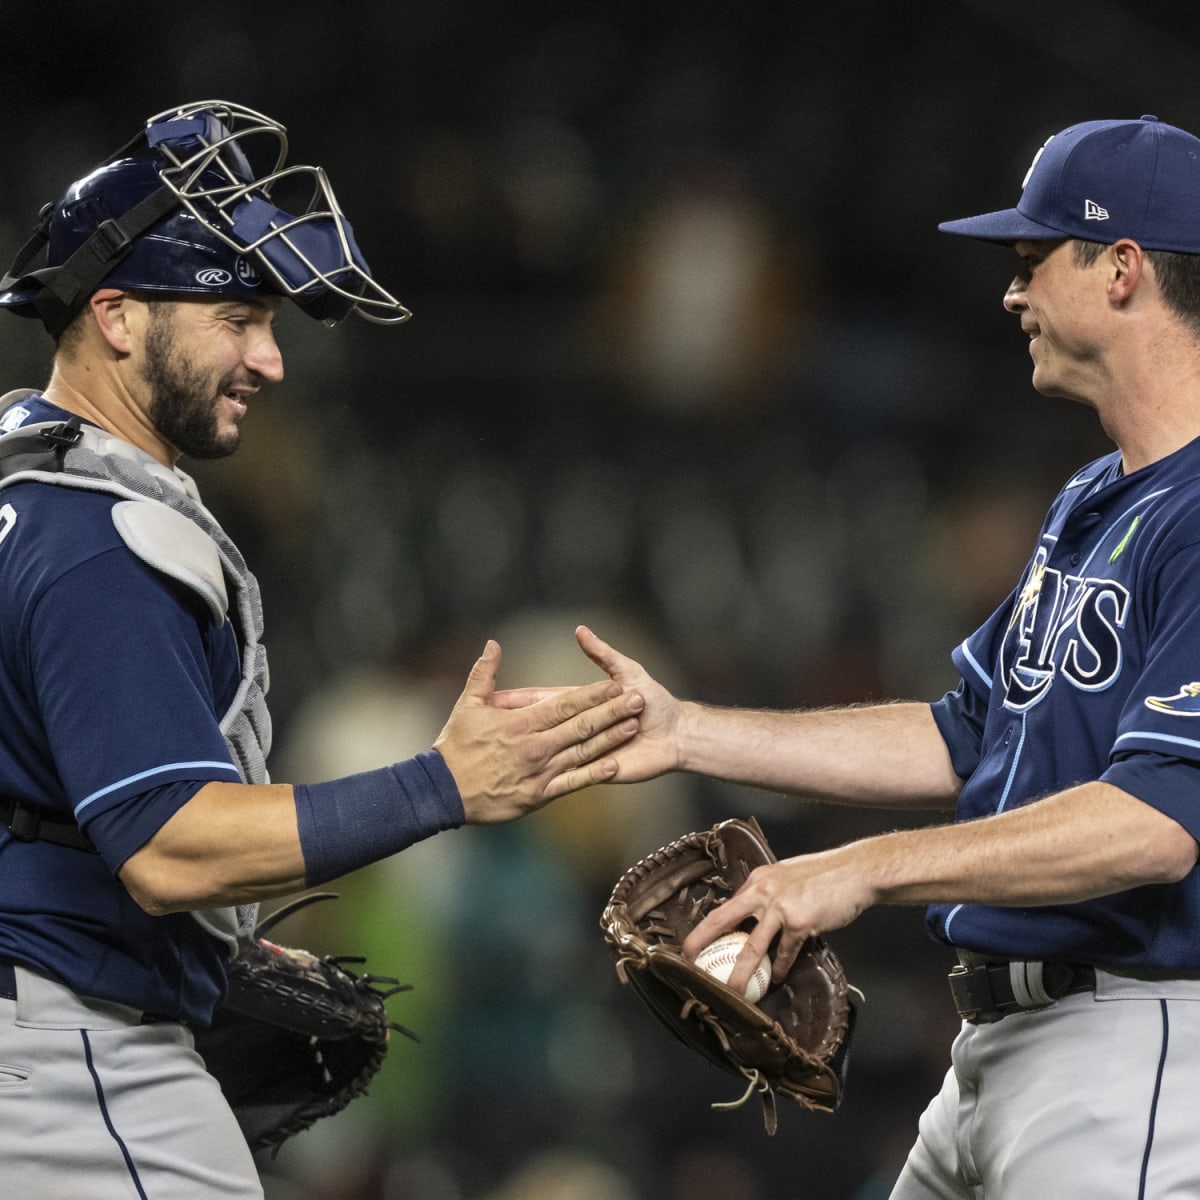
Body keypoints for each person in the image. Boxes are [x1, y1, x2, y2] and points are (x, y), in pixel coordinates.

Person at [530, 115, 1200, 1197]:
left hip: (1140, 1045)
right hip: (1005, 1050)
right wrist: (690, 730)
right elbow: (961, 735)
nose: (1011, 292)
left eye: (1032, 261)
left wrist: (857, 869)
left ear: (1121, 269)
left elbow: (1160, 823)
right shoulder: (1095, 498)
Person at [0, 100, 643, 1199]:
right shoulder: (98, 542)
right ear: (114, 315)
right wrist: (443, 783)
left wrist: (210, 954)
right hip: (66, 1054)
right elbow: (166, 844)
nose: (270, 359)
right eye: (238, 318)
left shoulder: (24, 495)